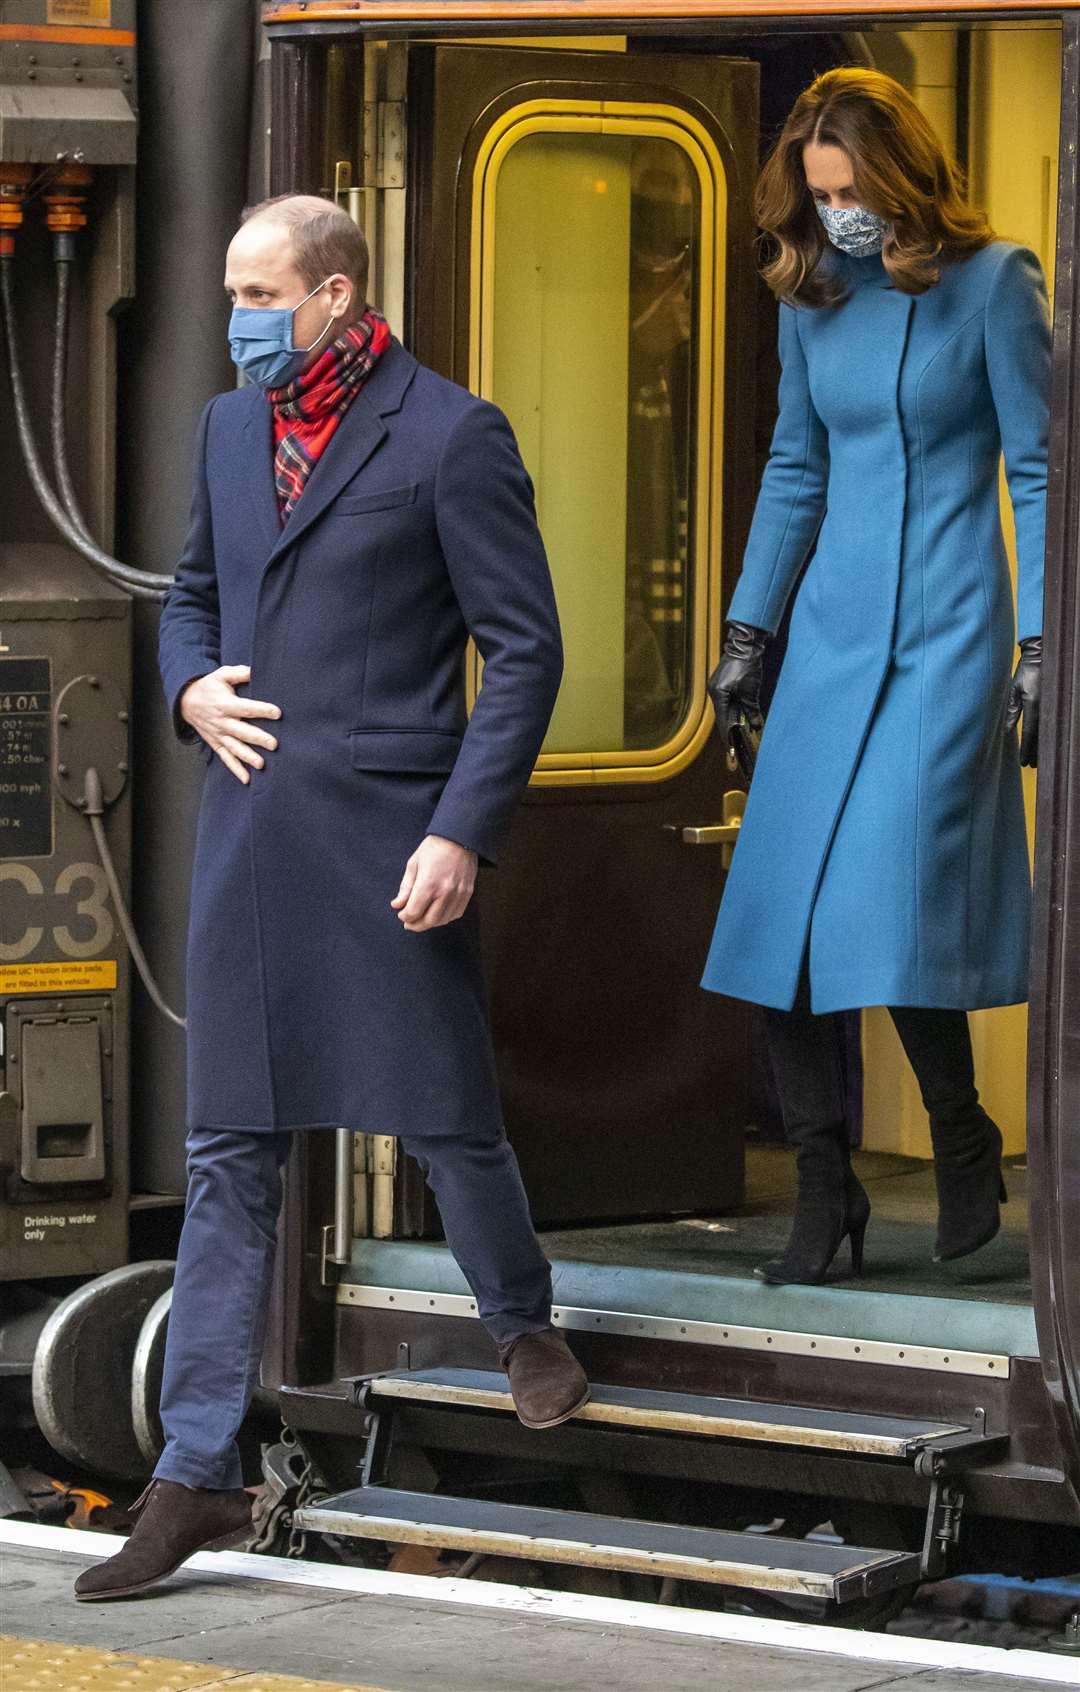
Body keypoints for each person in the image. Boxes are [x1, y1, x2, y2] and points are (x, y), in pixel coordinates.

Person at [75, 194, 588, 1602]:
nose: (237, 316)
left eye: (260, 291)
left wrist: (461, 833)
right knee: (230, 1151)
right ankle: (193, 1476)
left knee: (442, 1110)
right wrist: (189, 684)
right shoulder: (230, 431)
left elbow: (524, 652)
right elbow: (191, 595)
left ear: (339, 294)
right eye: (232, 289)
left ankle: (522, 1324)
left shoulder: (451, 435)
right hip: (250, 837)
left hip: (392, 836)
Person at [703, 68, 1050, 1286]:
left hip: (951, 632)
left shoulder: (996, 285)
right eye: (818, 193)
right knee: (779, 923)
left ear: (898, 176)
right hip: (834, 638)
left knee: (890, 909)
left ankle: (961, 1140)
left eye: (849, 191)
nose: (835, 215)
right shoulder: (815, 297)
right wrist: (749, 631)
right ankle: (823, 1185)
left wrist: (1042, 641)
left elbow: (1041, 471)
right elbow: (796, 467)